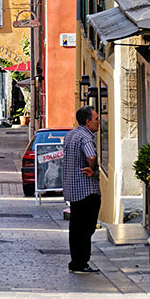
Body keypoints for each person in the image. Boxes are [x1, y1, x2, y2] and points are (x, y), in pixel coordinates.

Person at [62, 105, 101, 273]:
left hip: (72, 189)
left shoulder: (71, 135)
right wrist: (94, 169)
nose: (99, 122)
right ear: (88, 121)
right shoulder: (86, 137)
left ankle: (75, 261)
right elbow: (91, 155)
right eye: (96, 118)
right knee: (86, 228)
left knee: (76, 228)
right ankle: (81, 262)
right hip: (86, 189)